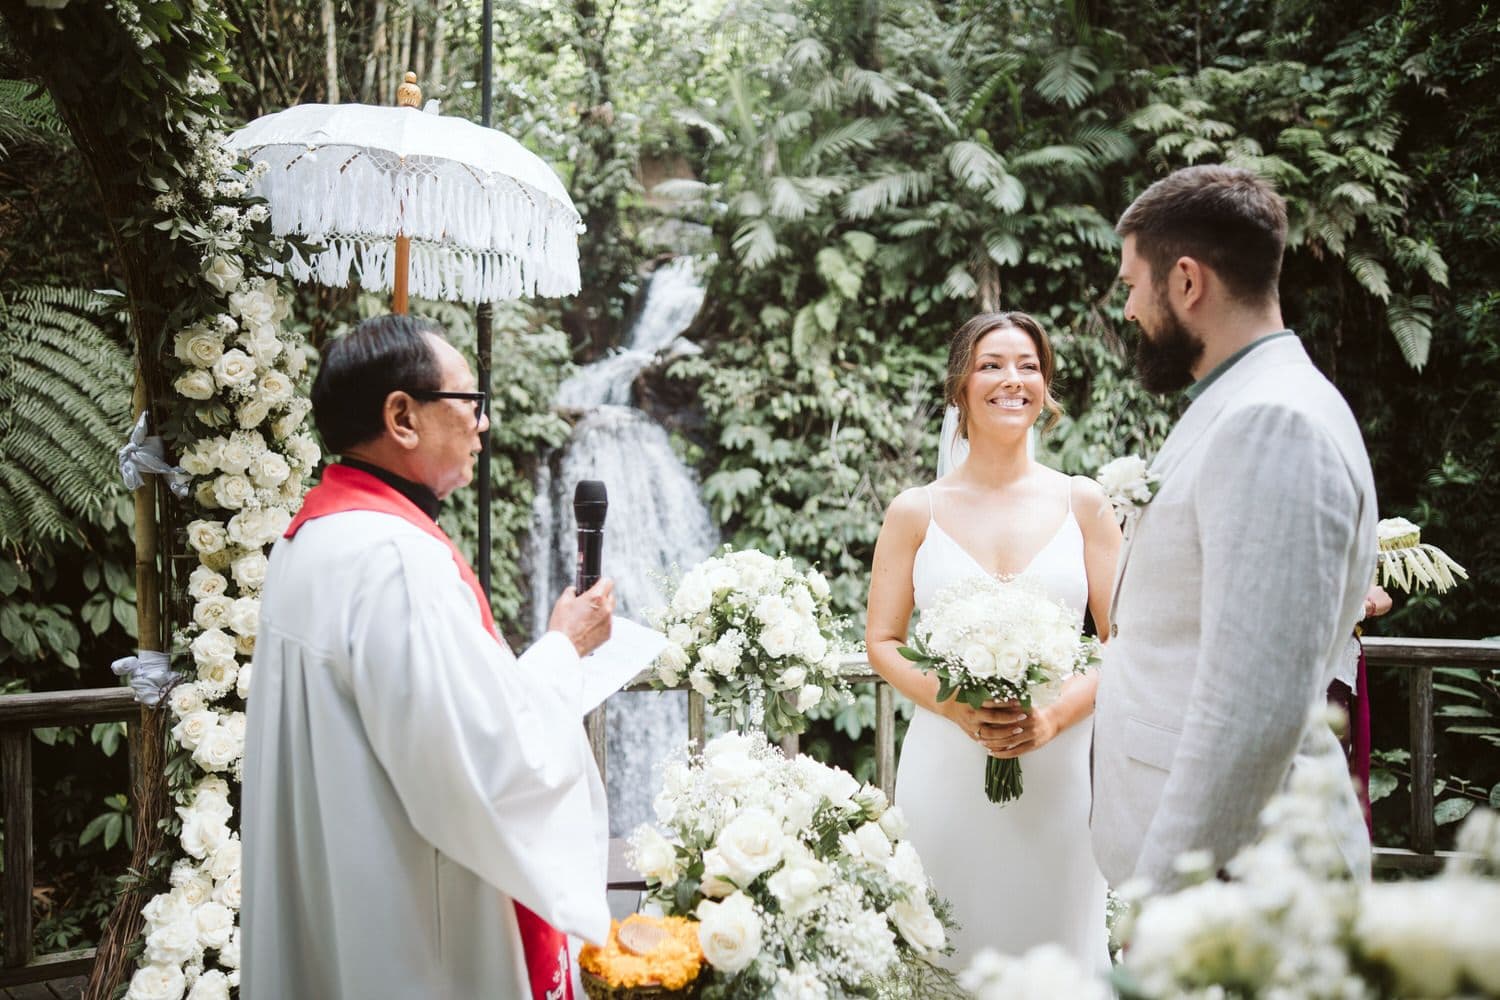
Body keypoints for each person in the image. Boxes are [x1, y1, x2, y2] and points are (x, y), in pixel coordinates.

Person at [242, 315, 616, 1000]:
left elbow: (450, 724)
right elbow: (495, 762)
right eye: (471, 402)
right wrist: (566, 648)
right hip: (415, 933)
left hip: (342, 901)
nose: (483, 424)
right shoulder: (396, 560)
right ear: (402, 417)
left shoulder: (312, 541)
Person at [1090, 165, 1378, 891]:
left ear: (1186, 281)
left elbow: (1251, 712)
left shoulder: (1272, 422)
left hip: (1236, 887)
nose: (1126, 310)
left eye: (1130, 285)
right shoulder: (1243, 400)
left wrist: (1158, 897)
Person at [865, 311, 1122, 969]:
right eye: (992, 365)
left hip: (1061, 781)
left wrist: (1057, 715)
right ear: (960, 388)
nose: (1013, 380)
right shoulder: (914, 511)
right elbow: (883, 641)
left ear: (1046, 389)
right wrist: (951, 704)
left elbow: (1129, 642)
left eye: (1029, 366)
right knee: (945, 951)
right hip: (945, 775)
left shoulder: (1084, 504)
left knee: (1058, 958)